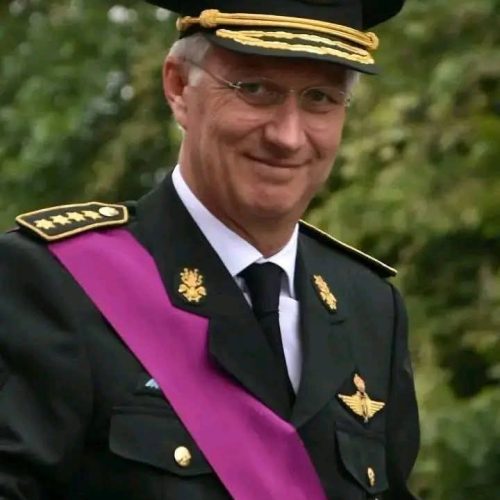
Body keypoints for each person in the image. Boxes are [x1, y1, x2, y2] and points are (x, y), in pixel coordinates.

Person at [0, 0, 420, 498]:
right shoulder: (52, 282)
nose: (288, 136)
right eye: (255, 89)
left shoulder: (369, 306)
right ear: (179, 87)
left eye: (320, 98)